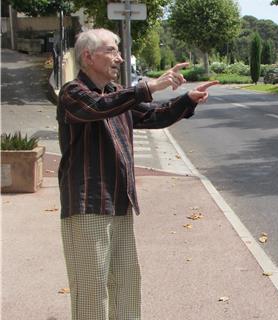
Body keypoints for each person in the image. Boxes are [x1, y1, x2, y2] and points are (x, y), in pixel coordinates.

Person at [56, 28, 218, 320]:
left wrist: (187, 100)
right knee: (91, 290)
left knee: (126, 285)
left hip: (120, 202)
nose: (119, 58)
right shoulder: (73, 93)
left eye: (119, 50)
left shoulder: (118, 95)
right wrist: (150, 86)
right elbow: (97, 108)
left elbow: (156, 115)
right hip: (87, 205)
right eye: (111, 51)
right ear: (88, 56)